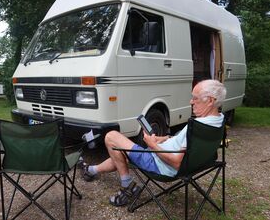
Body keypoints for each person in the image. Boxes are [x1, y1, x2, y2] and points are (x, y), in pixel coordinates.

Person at [81, 79, 227, 207]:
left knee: (112, 137)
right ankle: (91, 170)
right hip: (188, 165)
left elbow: (176, 163)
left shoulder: (196, 127)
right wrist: (163, 139)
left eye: (195, 98)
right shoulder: (217, 121)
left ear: (210, 101)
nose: (191, 102)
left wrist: (152, 145)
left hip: (160, 165)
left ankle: (127, 186)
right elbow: (185, 143)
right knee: (119, 153)